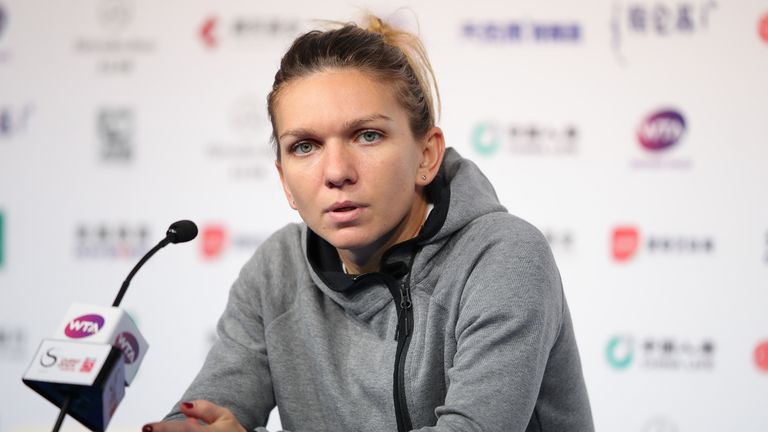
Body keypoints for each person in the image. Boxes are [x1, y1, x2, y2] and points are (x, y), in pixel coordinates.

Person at [144, 14, 594, 432]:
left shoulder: (505, 256)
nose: (336, 171)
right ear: (284, 180)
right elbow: (214, 407)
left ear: (427, 155)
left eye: (367, 135)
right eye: (305, 146)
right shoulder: (275, 270)